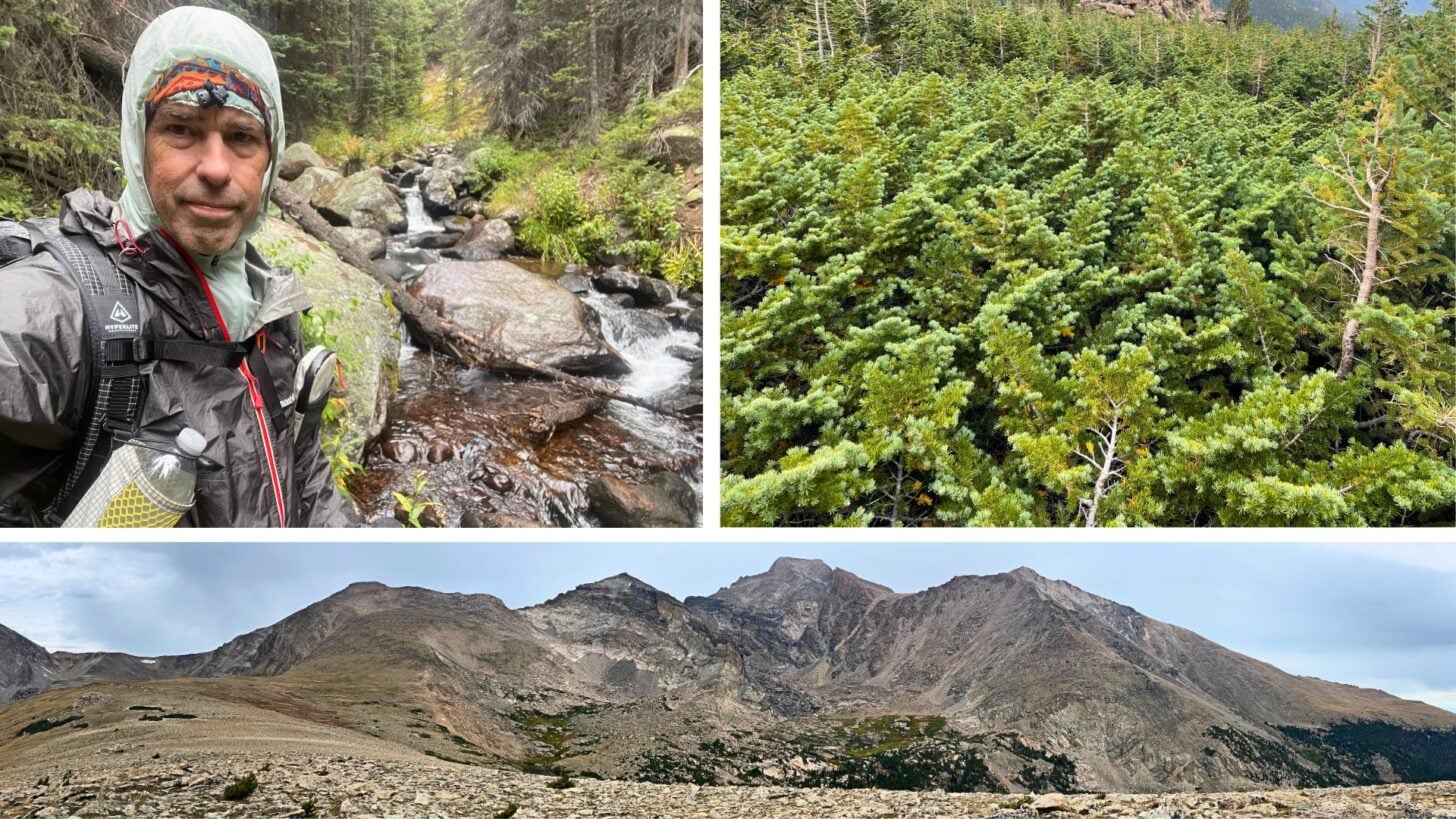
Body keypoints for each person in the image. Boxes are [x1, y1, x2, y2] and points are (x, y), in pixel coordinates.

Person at [0, 6, 356, 526]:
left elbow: (305, 474)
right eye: (182, 129)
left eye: (242, 138)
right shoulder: (54, 310)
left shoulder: (268, 306)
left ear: (271, 158)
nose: (215, 168)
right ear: (137, 143)